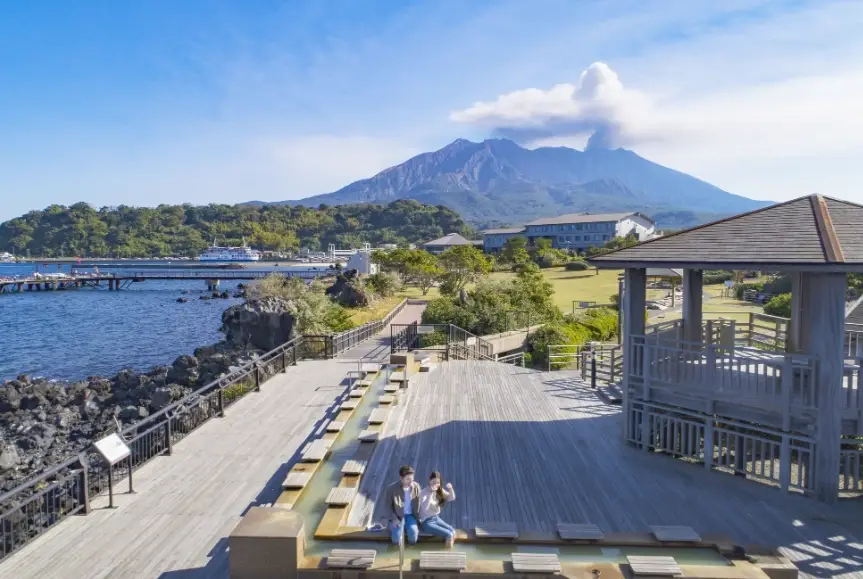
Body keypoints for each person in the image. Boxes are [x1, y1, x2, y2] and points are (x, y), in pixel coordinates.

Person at [418, 471, 457, 547]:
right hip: (426, 522)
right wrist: (430, 493)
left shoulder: (439, 490)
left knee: (453, 531)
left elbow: (451, 498)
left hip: (435, 518)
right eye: (433, 482)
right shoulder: (423, 493)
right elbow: (425, 509)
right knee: (449, 534)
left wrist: (450, 489)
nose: (436, 484)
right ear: (429, 481)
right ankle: (448, 553)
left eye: (438, 482)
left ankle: (447, 547)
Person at [384, 465, 421, 545]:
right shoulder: (391, 488)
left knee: (413, 532)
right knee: (396, 537)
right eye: (408, 479)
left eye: (412, 479)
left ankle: (410, 550)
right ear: (401, 478)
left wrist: (419, 519)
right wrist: (394, 519)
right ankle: (394, 555)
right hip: (397, 516)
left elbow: (420, 502)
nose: (410, 481)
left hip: (410, 515)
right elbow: (387, 506)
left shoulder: (416, 486)